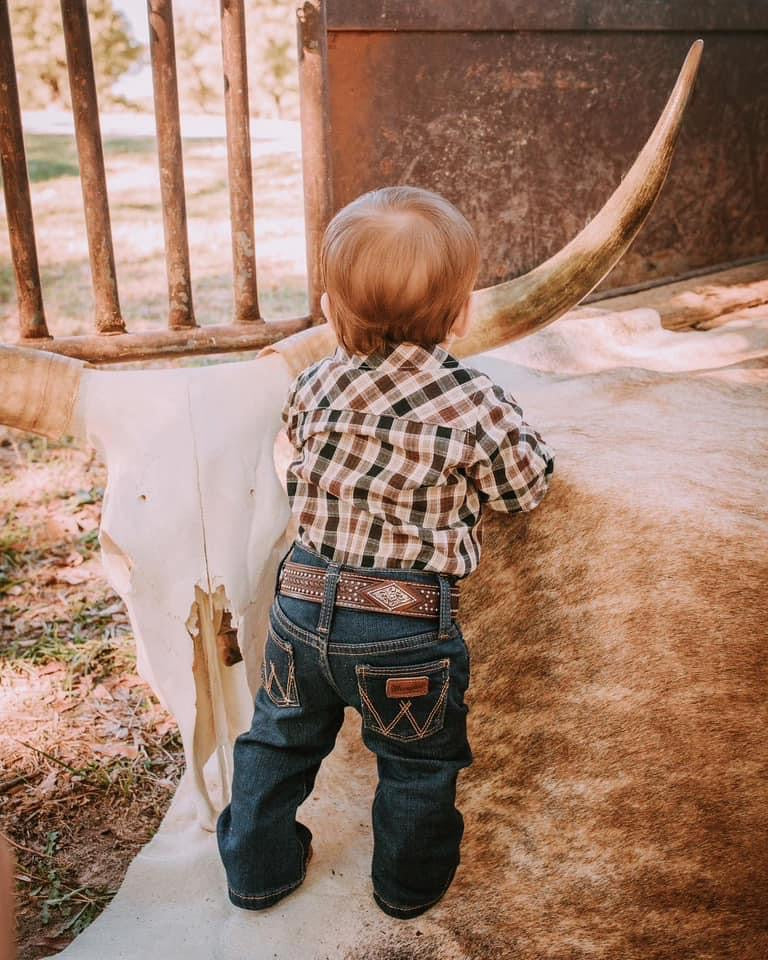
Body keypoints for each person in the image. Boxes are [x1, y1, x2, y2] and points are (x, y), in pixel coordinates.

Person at [216, 185, 555, 919]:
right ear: (463, 311)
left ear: (331, 310)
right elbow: (523, 489)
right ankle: (406, 888)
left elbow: (305, 449)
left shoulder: (314, 384)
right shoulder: (474, 401)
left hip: (300, 604)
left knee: (276, 740)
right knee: (417, 763)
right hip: (402, 628)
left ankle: (256, 870)